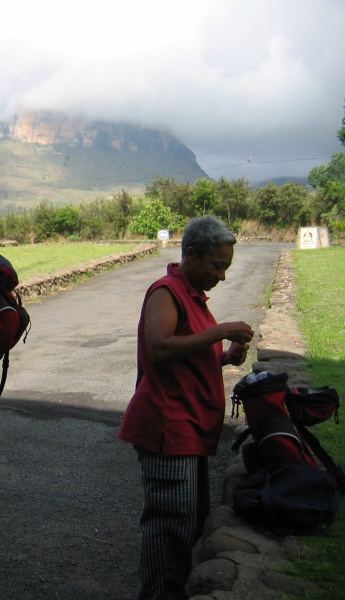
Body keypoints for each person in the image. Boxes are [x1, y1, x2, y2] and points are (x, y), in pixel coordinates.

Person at [118, 215, 254, 599]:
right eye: (217, 266)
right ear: (191, 254)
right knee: (170, 529)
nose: (222, 276)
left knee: (188, 522)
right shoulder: (166, 292)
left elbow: (187, 356)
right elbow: (160, 347)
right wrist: (220, 331)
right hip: (169, 429)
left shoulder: (192, 295)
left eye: (226, 267)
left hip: (189, 430)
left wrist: (224, 356)